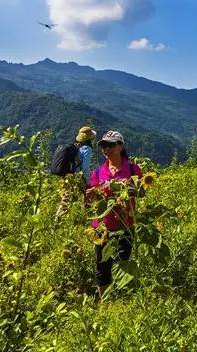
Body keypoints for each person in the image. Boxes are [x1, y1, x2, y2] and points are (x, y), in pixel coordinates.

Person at [85, 130, 143, 298]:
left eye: (110, 145)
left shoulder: (132, 169)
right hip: (103, 228)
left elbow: (142, 192)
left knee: (124, 263)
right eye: (103, 146)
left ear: (120, 146)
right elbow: (93, 203)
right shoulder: (98, 173)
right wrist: (91, 195)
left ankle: (123, 298)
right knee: (102, 265)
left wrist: (129, 188)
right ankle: (104, 301)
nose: (106, 149)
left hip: (126, 225)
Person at [53, 126, 97, 223]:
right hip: (77, 176)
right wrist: (88, 181)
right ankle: (88, 219)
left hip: (67, 176)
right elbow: (85, 167)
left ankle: (57, 221)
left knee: (66, 197)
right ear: (90, 139)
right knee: (88, 196)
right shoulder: (87, 149)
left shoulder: (76, 146)